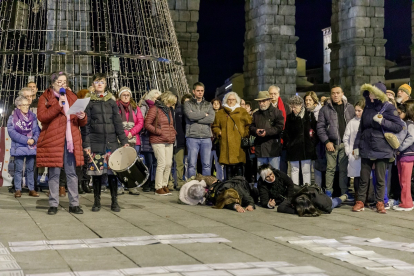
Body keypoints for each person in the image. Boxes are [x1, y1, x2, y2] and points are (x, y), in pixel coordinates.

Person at [37, 71, 87, 215]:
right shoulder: (45, 97)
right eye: (59, 82)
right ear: (52, 83)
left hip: (71, 140)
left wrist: (82, 117)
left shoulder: (72, 96)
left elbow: (81, 122)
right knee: (54, 174)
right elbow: (42, 117)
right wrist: (58, 105)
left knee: (72, 173)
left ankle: (74, 204)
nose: (62, 85)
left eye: (64, 82)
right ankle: (53, 204)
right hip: (53, 140)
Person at [352, 83, 405, 214]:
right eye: (369, 92)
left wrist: (382, 121)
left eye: (372, 92)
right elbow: (361, 129)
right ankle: (360, 201)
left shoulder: (388, 108)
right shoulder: (367, 108)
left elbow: (399, 126)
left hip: (382, 148)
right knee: (364, 177)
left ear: (378, 94)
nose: (370, 95)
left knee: (380, 178)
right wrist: (356, 146)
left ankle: (380, 202)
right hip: (366, 146)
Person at [82, 73, 129, 212]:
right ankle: (96, 201)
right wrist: (86, 144)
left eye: (102, 82)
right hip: (96, 143)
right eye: (97, 82)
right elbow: (86, 125)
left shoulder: (111, 101)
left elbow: (118, 123)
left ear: (105, 84)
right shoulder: (89, 102)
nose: (99, 84)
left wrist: (124, 140)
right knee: (96, 175)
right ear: (93, 84)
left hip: (111, 143)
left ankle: (114, 201)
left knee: (113, 174)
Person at [317, 85, 355, 197]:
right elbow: (320, 128)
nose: (335, 95)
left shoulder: (350, 108)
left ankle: (344, 192)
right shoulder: (325, 109)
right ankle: (328, 191)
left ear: (342, 94)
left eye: (338, 93)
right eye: (333, 93)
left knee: (343, 169)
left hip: (345, 144)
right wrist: (327, 141)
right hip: (332, 143)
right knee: (330, 169)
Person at [212, 92, 252, 179]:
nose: (231, 101)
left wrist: (245, 134)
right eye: (229, 99)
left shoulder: (242, 111)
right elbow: (215, 126)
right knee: (228, 167)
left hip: (239, 144)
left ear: (236, 100)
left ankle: (239, 186)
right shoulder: (220, 113)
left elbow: (249, 125)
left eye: (233, 99)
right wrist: (219, 132)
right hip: (226, 144)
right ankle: (228, 187)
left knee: (239, 166)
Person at [144, 91, 177, 196]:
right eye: (170, 102)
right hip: (158, 140)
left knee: (168, 164)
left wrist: (173, 133)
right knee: (162, 163)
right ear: (166, 100)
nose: (171, 105)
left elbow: (170, 124)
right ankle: (158, 187)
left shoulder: (168, 110)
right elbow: (147, 124)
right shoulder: (154, 109)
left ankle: (164, 185)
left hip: (168, 139)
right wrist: (159, 132)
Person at [7, 95, 40, 198]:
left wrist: (34, 139)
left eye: (27, 105)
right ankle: (18, 189)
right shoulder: (13, 117)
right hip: (19, 146)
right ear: (18, 106)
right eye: (24, 105)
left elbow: (37, 130)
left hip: (31, 147)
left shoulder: (33, 116)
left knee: (30, 169)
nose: (26, 107)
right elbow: (12, 133)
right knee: (18, 169)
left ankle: (31, 189)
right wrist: (27, 140)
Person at [116, 86, 144, 195]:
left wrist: (132, 132)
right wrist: (125, 133)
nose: (126, 97)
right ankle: (120, 185)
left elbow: (140, 122)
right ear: (120, 96)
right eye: (124, 95)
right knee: (120, 163)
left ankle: (132, 186)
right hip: (120, 139)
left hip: (134, 139)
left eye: (128, 95)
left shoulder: (135, 108)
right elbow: (115, 122)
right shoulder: (116, 107)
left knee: (133, 164)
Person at [184, 82, 215, 178]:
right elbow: (190, 116)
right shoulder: (187, 104)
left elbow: (211, 119)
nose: (200, 93)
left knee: (206, 164)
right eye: (198, 91)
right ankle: (192, 184)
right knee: (192, 164)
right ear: (193, 91)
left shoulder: (208, 104)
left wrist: (196, 117)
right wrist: (204, 114)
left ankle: (206, 186)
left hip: (206, 137)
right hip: (192, 137)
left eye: (202, 91)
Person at [284, 95, 317, 185]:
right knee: (294, 170)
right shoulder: (290, 117)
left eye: (295, 106)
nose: (293, 109)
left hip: (306, 147)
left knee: (306, 171)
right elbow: (286, 132)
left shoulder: (309, 115)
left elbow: (314, 130)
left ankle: (307, 190)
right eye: (291, 106)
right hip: (293, 147)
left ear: (301, 105)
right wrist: (288, 143)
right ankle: (296, 190)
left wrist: (312, 143)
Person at [249, 91, 284, 170]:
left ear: (269, 100)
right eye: (259, 101)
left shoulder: (277, 112)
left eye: (263, 101)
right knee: (261, 174)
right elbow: (251, 127)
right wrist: (256, 131)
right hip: (260, 148)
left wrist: (266, 132)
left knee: (274, 173)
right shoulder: (256, 114)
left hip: (273, 148)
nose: (261, 103)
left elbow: (279, 127)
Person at [139, 89, 162, 192]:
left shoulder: (159, 108)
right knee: (149, 162)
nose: (156, 100)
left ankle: (153, 182)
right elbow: (143, 119)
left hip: (156, 137)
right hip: (147, 138)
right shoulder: (145, 106)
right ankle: (146, 182)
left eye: (158, 98)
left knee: (155, 162)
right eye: (155, 98)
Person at [277, 185, 348, 216]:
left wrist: (314, 210)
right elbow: (281, 207)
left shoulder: (320, 201)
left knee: (334, 203)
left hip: (326, 201)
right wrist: (299, 210)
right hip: (310, 200)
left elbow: (328, 210)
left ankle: (344, 197)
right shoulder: (297, 196)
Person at [395, 100, 414, 211]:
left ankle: (407, 203)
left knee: (405, 180)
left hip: (407, 155)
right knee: (402, 179)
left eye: (399, 113)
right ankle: (405, 201)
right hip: (402, 155)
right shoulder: (404, 123)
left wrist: (399, 147)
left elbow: (411, 138)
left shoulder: (409, 124)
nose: (398, 115)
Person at [343, 101, 364, 202]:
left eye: (359, 111)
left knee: (365, 177)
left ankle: (365, 198)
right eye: (355, 110)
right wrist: (348, 151)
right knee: (356, 177)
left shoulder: (367, 122)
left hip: (365, 154)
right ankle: (357, 197)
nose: (356, 113)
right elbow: (346, 138)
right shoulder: (352, 122)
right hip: (354, 153)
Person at [268, 85, 290, 174]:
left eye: (275, 93)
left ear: (278, 94)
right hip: (270, 140)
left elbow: (288, 123)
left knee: (283, 165)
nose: (273, 95)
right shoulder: (266, 107)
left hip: (283, 140)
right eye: (271, 94)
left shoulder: (285, 107)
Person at [304, 91, 324, 187]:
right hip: (308, 142)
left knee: (317, 166)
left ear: (314, 101)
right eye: (306, 100)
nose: (307, 102)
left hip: (318, 143)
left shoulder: (320, 111)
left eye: (310, 100)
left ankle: (318, 187)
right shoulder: (305, 112)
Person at [210, 98, 225, 181]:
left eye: (217, 103)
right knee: (208, 164)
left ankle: (220, 179)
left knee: (219, 163)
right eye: (214, 103)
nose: (215, 105)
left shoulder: (222, 115)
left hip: (218, 142)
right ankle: (210, 180)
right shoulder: (209, 114)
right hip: (209, 141)